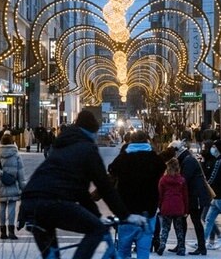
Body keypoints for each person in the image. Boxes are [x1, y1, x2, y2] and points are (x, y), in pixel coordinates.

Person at [20, 110, 147, 259]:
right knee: (97, 229)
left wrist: (95, 214)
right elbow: (104, 186)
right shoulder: (88, 149)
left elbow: (79, 192)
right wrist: (125, 216)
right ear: (93, 131)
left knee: (52, 255)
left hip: (29, 203)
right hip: (53, 202)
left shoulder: (62, 147)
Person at [108, 131, 166, 259]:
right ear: (147, 141)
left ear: (131, 141)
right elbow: (162, 166)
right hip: (148, 210)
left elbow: (111, 168)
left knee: (123, 250)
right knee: (144, 250)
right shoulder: (154, 158)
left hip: (127, 210)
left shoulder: (123, 158)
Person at [166, 140, 211, 255]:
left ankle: (201, 247)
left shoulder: (188, 161)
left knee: (195, 221)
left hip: (196, 197)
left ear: (177, 150)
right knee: (184, 220)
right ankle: (182, 245)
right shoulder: (187, 159)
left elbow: (184, 180)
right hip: (194, 196)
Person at [0, 133, 26, 239]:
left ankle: (2, 231)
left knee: (2, 206)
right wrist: (23, 187)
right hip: (12, 184)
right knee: (12, 207)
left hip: (0, 184)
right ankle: (11, 231)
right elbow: (21, 173)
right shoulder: (16, 155)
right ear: (12, 142)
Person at [198, 140, 221, 251]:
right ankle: (211, 241)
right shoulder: (207, 160)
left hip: (212, 193)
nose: (204, 149)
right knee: (208, 218)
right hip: (210, 192)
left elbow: (208, 176)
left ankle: (218, 237)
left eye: (206, 147)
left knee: (206, 217)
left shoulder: (213, 162)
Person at [157, 157, 189, 256]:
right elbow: (185, 196)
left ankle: (162, 244)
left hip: (166, 205)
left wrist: (159, 206)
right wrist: (186, 210)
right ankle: (181, 248)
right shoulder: (182, 180)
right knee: (179, 228)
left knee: (165, 227)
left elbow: (160, 194)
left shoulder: (163, 180)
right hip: (179, 206)